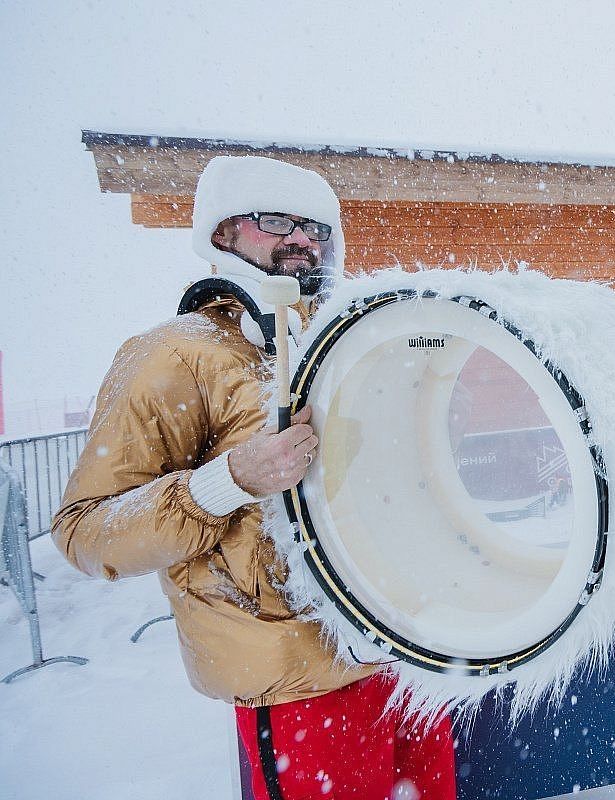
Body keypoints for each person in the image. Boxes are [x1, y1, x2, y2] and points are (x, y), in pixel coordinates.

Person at [52, 155, 456, 800]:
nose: (301, 238)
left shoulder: (347, 341)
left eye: (317, 228)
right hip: (295, 677)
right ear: (222, 235)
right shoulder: (173, 355)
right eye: (275, 221)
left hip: (403, 656)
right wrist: (227, 481)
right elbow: (85, 533)